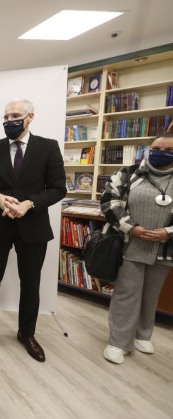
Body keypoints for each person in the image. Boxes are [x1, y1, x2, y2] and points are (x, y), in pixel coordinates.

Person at [0, 99, 66, 362]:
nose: (8, 120)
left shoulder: (48, 147)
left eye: (15, 115)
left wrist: (30, 204)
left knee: (31, 282)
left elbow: (58, 188)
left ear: (30, 117)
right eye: (5, 116)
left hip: (33, 227)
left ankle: (26, 333)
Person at [100, 132, 173, 364]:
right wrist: (131, 228)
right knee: (126, 294)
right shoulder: (128, 173)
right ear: (148, 148)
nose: (160, 153)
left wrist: (167, 233)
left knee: (151, 294)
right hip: (129, 245)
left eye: (167, 149)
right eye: (156, 148)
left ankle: (143, 335)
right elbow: (109, 202)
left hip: (164, 249)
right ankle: (118, 342)